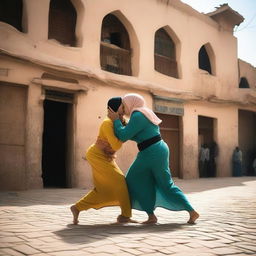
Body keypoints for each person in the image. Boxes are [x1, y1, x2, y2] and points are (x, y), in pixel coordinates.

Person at [108, 93, 199, 224]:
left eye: (123, 105)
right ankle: (150, 216)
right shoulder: (142, 113)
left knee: (164, 184)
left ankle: (191, 211)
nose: (122, 108)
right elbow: (134, 135)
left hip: (153, 152)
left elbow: (123, 136)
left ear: (130, 104)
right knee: (138, 180)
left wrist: (116, 120)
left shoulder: (138, 115)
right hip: (150, 151)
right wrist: (121, 121)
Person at [70, 97, 134, 224]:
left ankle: (77, 208)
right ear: (115, 108)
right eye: (122, 106)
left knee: (104, 190)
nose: (125, 108)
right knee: (120, 181)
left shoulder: (121, 122)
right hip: (96, 156)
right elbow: (116, 145)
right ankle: (125, 216)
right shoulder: (107, 123)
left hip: (106, 157)